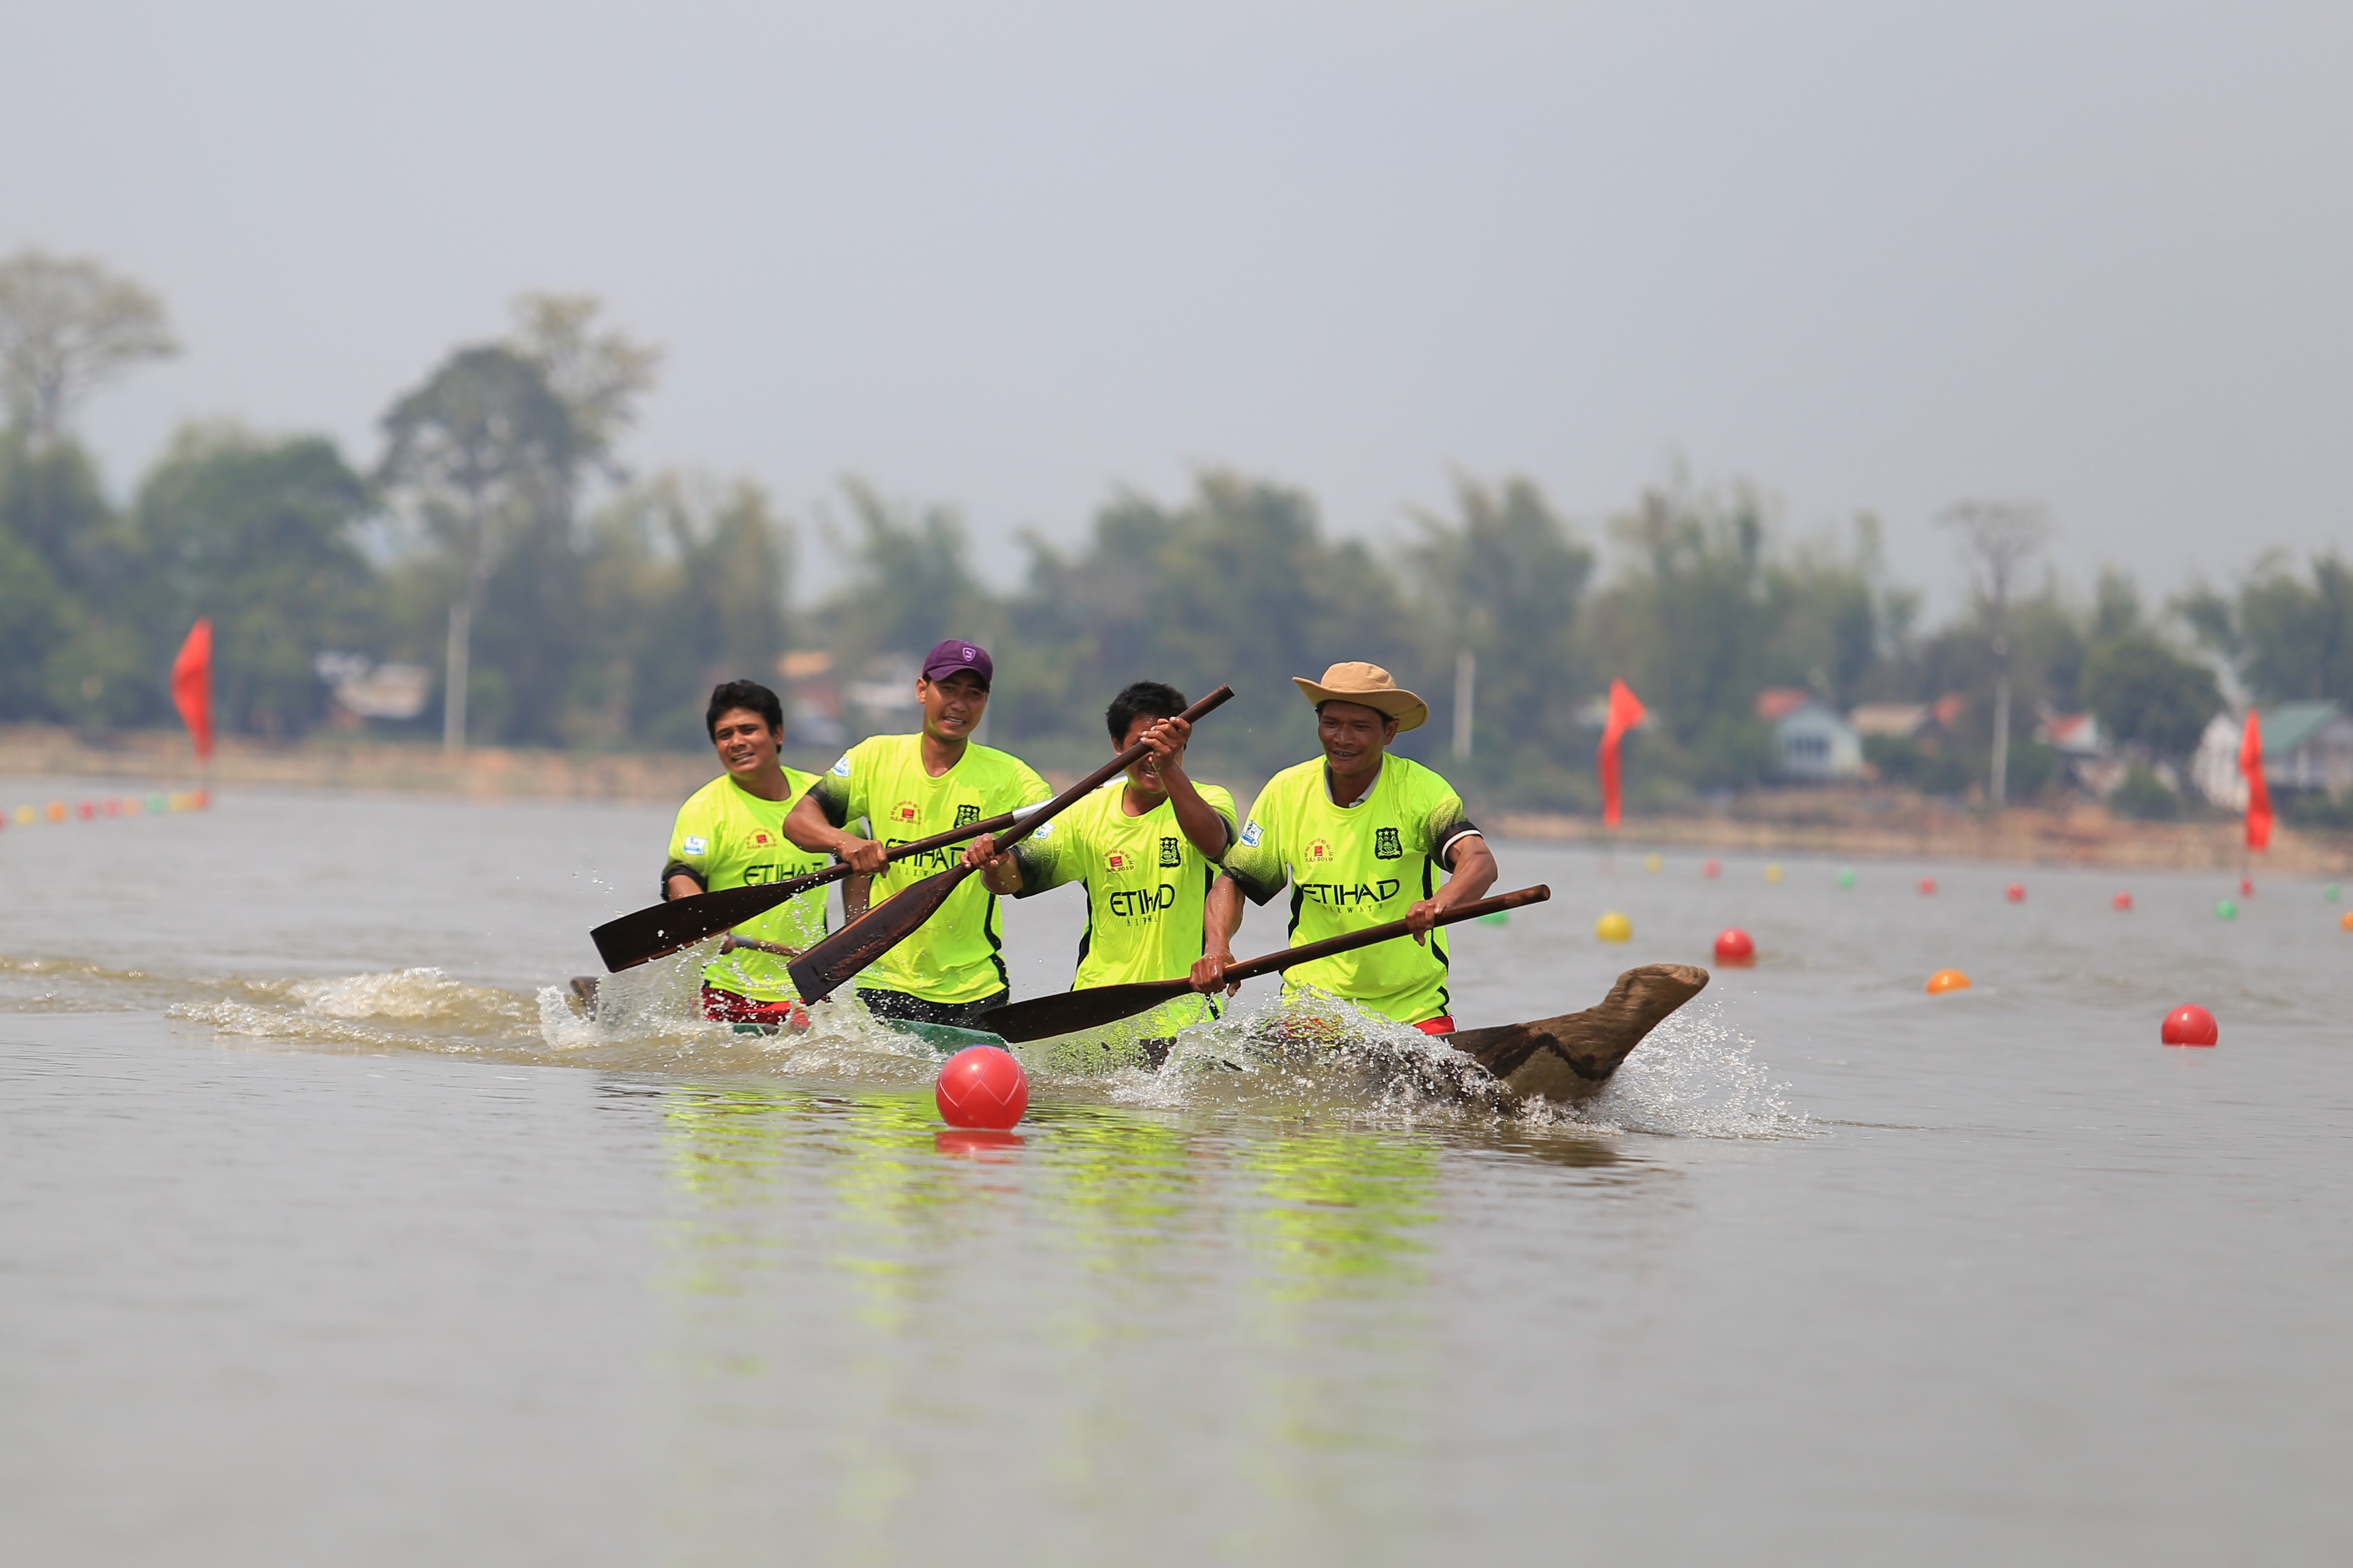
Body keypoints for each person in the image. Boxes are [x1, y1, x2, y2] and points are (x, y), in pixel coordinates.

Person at [1191, 661, 1498, 1033]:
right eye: (1331, 724)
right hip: (1311, 1008)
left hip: (1411, 1008)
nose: (1343, 739)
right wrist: (1217, 947)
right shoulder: (1286, 792)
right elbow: (1234, 882)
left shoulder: (1421, 790)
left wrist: (1442, 901)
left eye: (1360, 727)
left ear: (1390, 732)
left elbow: (1479, 860)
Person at [785, 638, 1052, 1030]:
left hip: (974, 987)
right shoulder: (873, 758)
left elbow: (1025, 875)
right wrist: (847, 843)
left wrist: (995, 866)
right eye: (949, 689)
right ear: (921, 690)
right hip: (881, 981)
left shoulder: (1015, 780)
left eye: (973, 694)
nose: (960, 704)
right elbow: (798, 821)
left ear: (985, 700)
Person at [1004, 681, 1238, 1063]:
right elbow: (1011, 879)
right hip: (1094, 1014)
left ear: (1182, 743)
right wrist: (993, 863)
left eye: (1164, 745)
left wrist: (1167, 765)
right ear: (1117, 745)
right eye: (1141, 746)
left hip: (1182, 1019)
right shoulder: (1084, 812)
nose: (1152, 759)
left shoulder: (1211, 799)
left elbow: (1215, 844)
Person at [663, 679, 843, 1031]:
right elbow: (681, 877)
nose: (737, 742)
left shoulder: (820, 796)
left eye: (748, 730)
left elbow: (860, 861)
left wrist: (855, 927)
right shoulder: (704, 808)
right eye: (725, 735)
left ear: (778, 734)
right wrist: (707, 924)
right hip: (726, 989)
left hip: (804, 986)